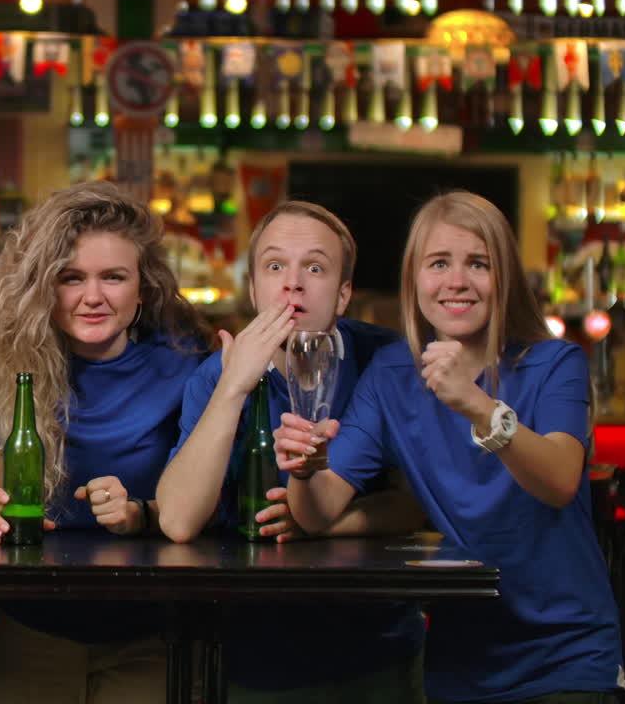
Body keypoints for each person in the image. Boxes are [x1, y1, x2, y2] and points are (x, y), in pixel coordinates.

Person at [280, 191, 624, 703]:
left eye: (478, 264)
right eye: (438, 263)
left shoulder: (555, 363)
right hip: (460, 663)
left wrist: (477, 404)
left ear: (505, 278)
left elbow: (559, 482)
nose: (457, 281)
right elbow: (318, 511)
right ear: (414, 280)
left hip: (568, 656)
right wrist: (305, 469)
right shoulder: (392, 375)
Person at [155, 201, 428, 702]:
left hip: (379, 645)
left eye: (315, 268)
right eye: (275, 266)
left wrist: (318, 524)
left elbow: (416, 502)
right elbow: (177, 520)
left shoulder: (385, 360)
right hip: (254, 650)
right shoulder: (215, 377)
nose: (293, 284)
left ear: (343, 293)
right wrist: (234, 387)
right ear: (254, 288)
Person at [0, 181, 210, 703]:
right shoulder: (12, 368)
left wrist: (141, 511)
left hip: (150, 626)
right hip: (31, 623)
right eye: (71, 278)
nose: (92, 297)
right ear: (43, 288)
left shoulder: (188, 369)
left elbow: (210, 506)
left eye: (113, 277)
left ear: (143, 289)